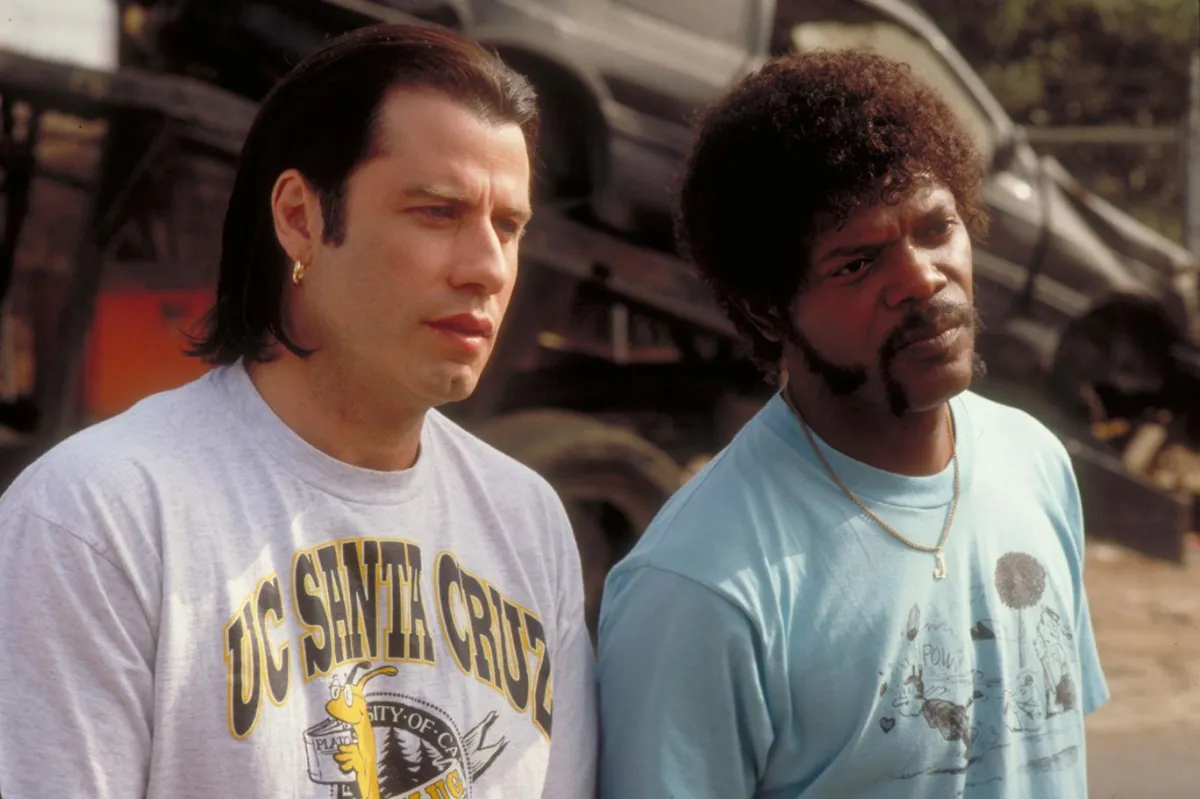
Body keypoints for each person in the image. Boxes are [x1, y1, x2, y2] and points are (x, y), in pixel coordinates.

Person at [0, 23, 597, 799]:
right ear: (299, 218)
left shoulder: (528, 522)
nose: (488, 266)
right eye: (437, 211)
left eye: (508, 226)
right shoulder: (100, 517)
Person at [596, 49, 1108, 798]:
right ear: (767, 311)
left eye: (936, 227)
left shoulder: (1033, 461)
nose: (922, 278)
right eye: (857, 264)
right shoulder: (699, 585)